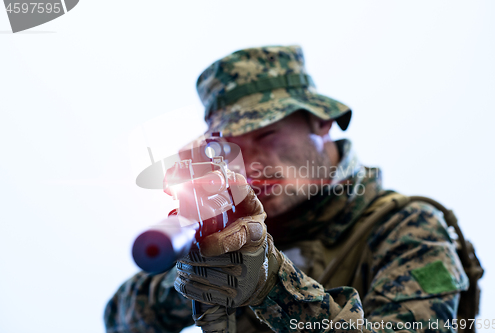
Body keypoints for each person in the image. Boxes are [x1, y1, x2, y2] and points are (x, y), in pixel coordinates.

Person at [104, 45, 470, 332]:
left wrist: (272, 286)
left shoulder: (408, 229)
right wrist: (192, 279)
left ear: (320, 121)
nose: (252, 162)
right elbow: (120, 318)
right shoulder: (238, 227)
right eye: (232, 147)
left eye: (267, 134)